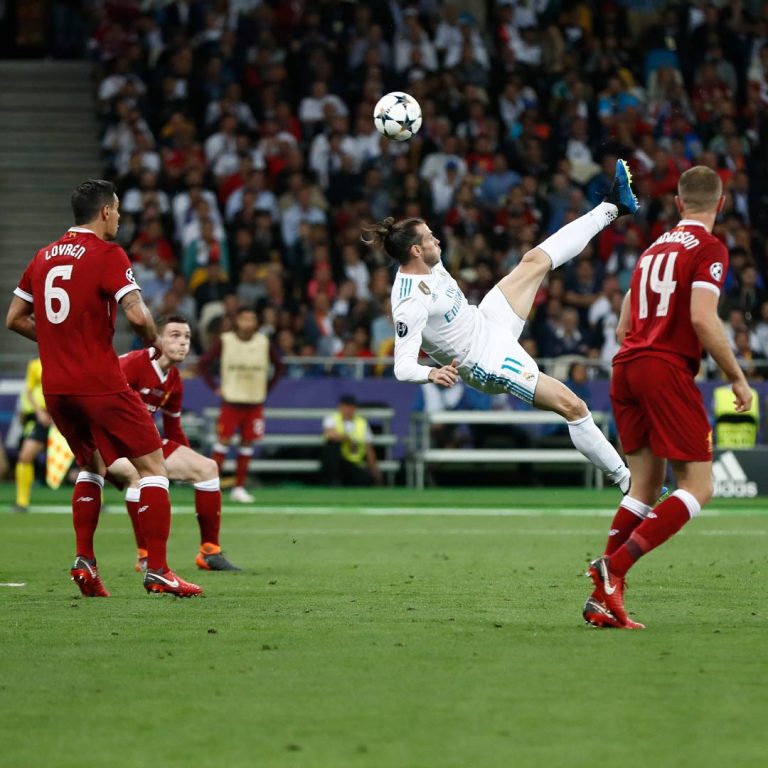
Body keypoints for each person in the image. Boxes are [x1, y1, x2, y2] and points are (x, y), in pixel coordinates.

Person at [363, 160, 638, 494]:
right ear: (416, 250)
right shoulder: (409, 302)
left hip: (485, 321)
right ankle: (628, 482)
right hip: (483, 362)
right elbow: (402, 366)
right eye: (430, 238)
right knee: (574, 406)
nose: (437, 239)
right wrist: (431, 374)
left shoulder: (428, 264)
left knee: (533, 261)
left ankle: (614, 206)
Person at [6, 179, 202, 597]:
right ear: (107, 212)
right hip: (99, 382)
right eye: (117, 210)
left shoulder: (42, 257)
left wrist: (60, 345)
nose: (119, 218)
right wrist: (152, 338)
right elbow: (135, 314)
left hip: (58, 388)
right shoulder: (108, 254)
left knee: (91, 467)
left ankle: (85, 563)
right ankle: (160, 569)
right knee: (153, 468)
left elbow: (15, 318)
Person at [584, 165, 753, 629]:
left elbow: (622, 327)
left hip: (627, 366)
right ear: (720, 205)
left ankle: (602, 598)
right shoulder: (710, 248)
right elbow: (703, 317)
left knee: (642, 487)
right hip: (663, 368)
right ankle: (615, 567)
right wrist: (736, 377)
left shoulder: (654, 248)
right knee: (699, 487)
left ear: (679, 203)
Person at [107, 315, 240, 572]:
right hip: (109, 441)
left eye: (187, 337)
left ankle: (209, 552)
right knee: (140, 474)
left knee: (207, 468)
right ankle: (145, 556)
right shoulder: (131, 364)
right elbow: (100, 404)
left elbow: (173, 428)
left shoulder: (173, 379)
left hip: (144, 442)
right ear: (157, 339)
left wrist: (186, 460)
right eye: (175, 335)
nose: (183, 343)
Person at [199, 305, 284, 502]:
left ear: (256, 322)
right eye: (244, 319)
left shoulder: (264, 342)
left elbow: (279, 366)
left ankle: (239, 488)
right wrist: (215, 387)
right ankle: (210, 485)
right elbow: (204, 363)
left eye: (251, 319)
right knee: (223, 442)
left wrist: (267, 388)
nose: (247, 323)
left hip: (254, 402)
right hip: (231, 401)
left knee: (247, 444)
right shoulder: (225, 341)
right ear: (237, 321)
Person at [11, 358, 49, 513]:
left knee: (88, 459)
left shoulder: (69, 359)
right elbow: (29, 390)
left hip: (65, 417)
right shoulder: (35, 365)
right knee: (25, 457)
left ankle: (97, 502)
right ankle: (22, 502)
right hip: (42, 419)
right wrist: (39, 412)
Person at [321, 394, 383, 486]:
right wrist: (348, 438)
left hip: (353, 462)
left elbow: (369, 450)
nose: (348, 410)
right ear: (340, 407)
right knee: (332, 446)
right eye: (346, 407)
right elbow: (330, 435)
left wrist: (376, 473)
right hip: (336, 461)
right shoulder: (332, 418)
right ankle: (333, 481)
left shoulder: (362, 423)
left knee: (365, 480)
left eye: (351, 407)